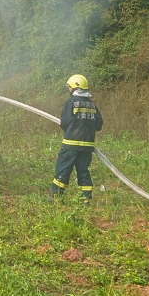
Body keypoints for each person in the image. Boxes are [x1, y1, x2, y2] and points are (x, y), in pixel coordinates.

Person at [51, 74, 103, 203]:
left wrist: (71, 129)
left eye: (69, 87)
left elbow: (65, 122)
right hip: (87, 146)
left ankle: (56, 196)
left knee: (63, 168)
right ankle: (85, 198)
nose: (68, 89)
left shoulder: (71, 102)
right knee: (83, 170)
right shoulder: (92, 105)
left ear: (75, 87)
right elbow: (99, 124)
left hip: (71, 144)